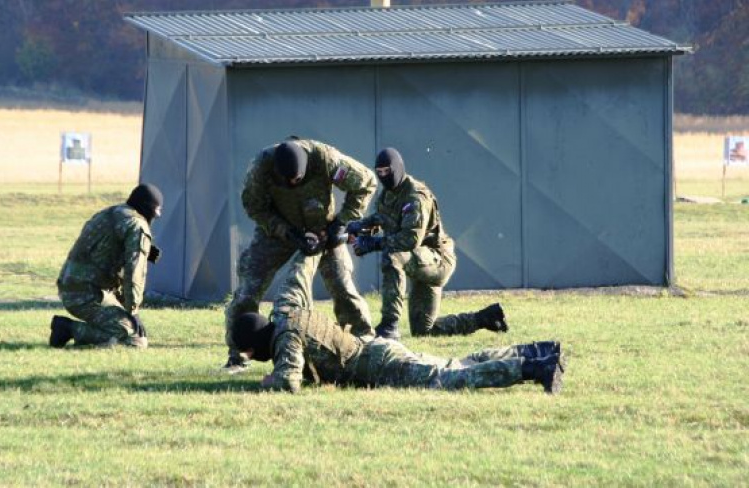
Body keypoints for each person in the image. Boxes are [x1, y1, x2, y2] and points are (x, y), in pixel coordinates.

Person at [224, 137, 377, 370]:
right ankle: (239, 353)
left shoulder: (326, 159)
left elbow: (366, 183)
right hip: (278, 232)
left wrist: (340, 224)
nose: (292, 183)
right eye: (287, 180)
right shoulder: (262, 166)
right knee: (247, 289)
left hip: (323, 230)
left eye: (297, 179)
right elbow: (254, 206)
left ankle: (364, 345)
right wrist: (286, 232)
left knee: (342, 286)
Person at [347, 147, 507, 340]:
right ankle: (486, 318)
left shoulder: (416, 196)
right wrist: (359, 227)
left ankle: (389, 325)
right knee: (424, 331)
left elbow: (409, 239)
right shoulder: (388, 195)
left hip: (437, 259)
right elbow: (381, 218)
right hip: (419, 261)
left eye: (387, 171)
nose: (383, 176)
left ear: (397, 168)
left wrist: (373, 244)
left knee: (393, 256)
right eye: (379, 172)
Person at [231, 309, 564, 394]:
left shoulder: (286, 337)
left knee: (449, 379)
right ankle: (539, 351)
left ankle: (536, 368)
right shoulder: (288, 317)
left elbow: (288, 382)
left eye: (247, 352)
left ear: (254, 345)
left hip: (381, 365)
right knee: (458, 363)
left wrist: (269, 382)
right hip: (377, 350)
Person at [49, 183, 164, 349]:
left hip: (71, 286)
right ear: (147, 210)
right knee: (135, 339)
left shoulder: (110, 213)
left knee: (125, 326)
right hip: (88, 294)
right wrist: (133, 312)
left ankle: (71, 328)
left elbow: (101, 249)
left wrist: (142, 249)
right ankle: (69, 329)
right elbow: (134, 273)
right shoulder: (136, 225)